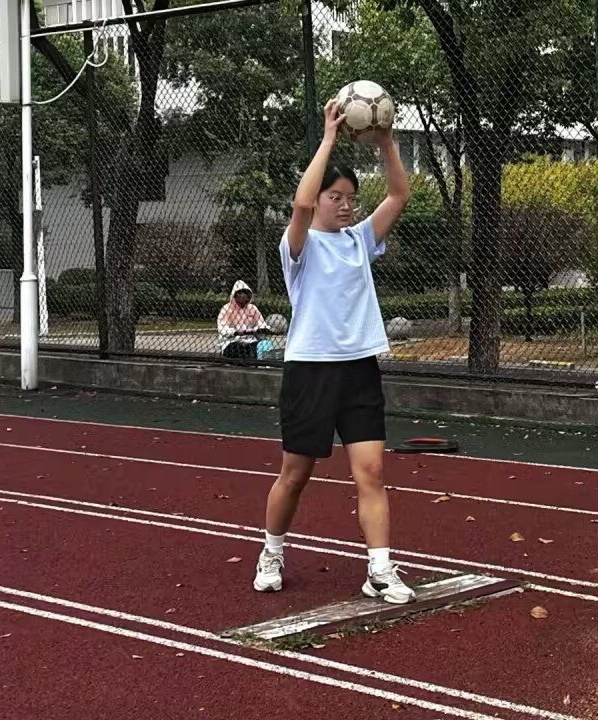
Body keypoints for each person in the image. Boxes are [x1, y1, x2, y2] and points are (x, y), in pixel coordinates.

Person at [252, 98, 413, 603]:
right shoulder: (298, 247)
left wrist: (386, 140)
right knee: (295, 474)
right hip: (310, 372)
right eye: (335, 196)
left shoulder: (360, 240)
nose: (346, 205)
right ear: (320, 198)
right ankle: (272, 551)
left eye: (351, 198)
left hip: (359, 370)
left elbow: (400, 193)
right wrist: (327, 139)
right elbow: (300, 206)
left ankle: (380, 570)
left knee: (372, 472)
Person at [216, 280, 271, 360]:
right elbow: (222, 329)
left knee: (262, 346)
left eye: (245, 292)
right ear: (234, 295)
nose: (243, 295)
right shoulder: (227, 309)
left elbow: (261, 323)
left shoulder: (252, 308)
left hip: (251, 340)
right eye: (239, 293)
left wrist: (263, 329)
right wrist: (236, 332)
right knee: (237, 348)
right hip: (231, 341)